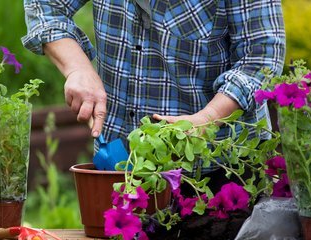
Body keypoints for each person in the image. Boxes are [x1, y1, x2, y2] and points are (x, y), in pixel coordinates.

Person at [22, 0, 285, 175]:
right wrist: (77, 68)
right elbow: (45, 6)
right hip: (118, 161)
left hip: (220, 168)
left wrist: (205, 119)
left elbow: (261, 56)